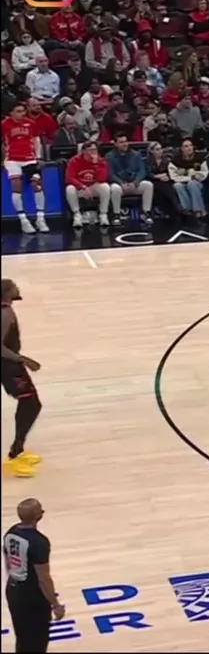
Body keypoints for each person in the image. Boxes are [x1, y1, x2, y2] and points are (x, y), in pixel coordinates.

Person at [3, 499, 63, 653]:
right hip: (31, 596)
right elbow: (43, 579)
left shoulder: (11, 532)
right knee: (37, 640)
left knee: (23, 637)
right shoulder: (39, 542)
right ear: (37, 515)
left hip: (12, 589)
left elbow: (7, 560)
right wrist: (55, 604)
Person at [1, 280, 42, 478]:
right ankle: (15, 454)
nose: (18, 288)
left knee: (31, 403)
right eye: (14, 287)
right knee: (30, 403)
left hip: (11, 365)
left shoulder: (6, 310)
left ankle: (18, 449)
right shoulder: (4, 313)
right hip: (8, 366)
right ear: (8, 293)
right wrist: (22, 359)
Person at [2, 102, 49, 234]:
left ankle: (40, 218)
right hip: (12, 159)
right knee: (16, 186)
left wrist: (39, 157)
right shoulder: (4, 124)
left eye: (23, 111)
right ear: (11, 113)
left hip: (29, 159)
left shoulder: (31, 123)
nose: (22, 114)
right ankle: (23, 220)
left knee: (37, 185)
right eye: (18, 111)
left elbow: (36, 140)